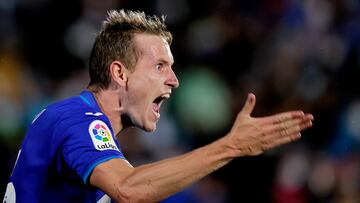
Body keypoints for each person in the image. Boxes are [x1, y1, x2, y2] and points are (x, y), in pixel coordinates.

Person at [3, 9, 314, 203]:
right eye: (160, 66)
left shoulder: (79, 123)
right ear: (119, 73)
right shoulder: (76, 120)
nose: (174, 80)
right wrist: (231, 147)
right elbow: (129, 190)